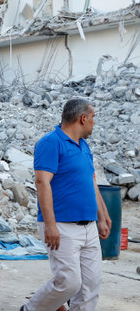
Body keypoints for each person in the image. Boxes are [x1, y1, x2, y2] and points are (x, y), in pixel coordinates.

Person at [21, 99, 111, 311]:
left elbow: (91, 180)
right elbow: (42, 182)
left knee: (91, 285)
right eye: (93, 117)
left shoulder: (83, 145)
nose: (94, 122)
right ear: (83, 118)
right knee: (69, 283)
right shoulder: (51, 143)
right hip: (62, 226)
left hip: (88, 226)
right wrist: (50, 225)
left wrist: (103, 215)